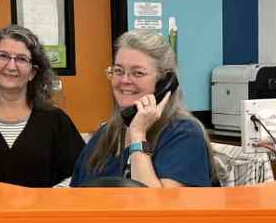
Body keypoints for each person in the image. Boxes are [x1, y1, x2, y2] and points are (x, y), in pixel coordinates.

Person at [71, 30, 215, 187]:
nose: (125, 80)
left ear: (165, 82)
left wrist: (138, 135)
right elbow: (76, 194)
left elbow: (155, 207)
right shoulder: (107, 133)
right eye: (118, 71)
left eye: (137, 73)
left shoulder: (184, 134)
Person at [0, 25, 83, 188]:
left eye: (21, 59)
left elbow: (79, 173)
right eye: (3, 56)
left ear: (33, 72)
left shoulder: (55, 120)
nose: (11, 66)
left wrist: (51, 197)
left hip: (40, 212)